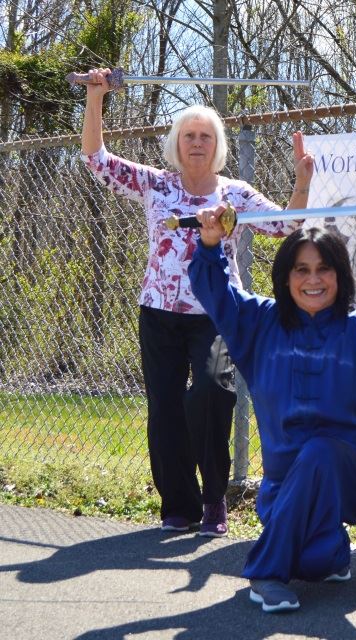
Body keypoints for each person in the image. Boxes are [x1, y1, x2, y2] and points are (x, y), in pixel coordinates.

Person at [80, 67, 315, 538]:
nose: (196, 143)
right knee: (165, 407)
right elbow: (96, 158)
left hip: (214, 313)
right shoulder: (156, 185)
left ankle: (213, 501)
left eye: (206, 136)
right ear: (176, 142)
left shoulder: (235, 195)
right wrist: (95, 96)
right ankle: (179, 506)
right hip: (159, 313)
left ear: (218, 145)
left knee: (211, 393)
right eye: (188, 135)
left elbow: (287, 225)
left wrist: (302, 179)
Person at [188, 206, 356, 613]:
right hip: (285, 485)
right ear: (285, 276)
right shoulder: (259, 324)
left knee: (322, 450)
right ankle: (328, 552)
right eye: (301, 269)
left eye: (324, 268)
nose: (313, 279)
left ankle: (265, 574)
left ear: (340, 275)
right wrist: (209, 245)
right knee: (312, 563)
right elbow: (216, 292)